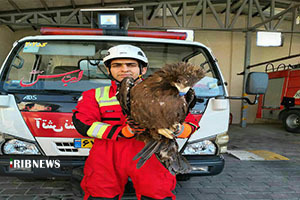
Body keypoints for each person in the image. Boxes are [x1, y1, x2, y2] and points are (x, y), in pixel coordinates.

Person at [72, 44, 199, 200]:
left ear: (143, 69)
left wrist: (178, 130)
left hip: (151, 151)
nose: (124, 69)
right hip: (107, 154)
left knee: (156, 194)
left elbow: (191, 124)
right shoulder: (95, 94)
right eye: (117, 65)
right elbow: (83, 124)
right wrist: (122, 131)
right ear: (108, 70)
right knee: (100, 194)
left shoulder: (167, 92)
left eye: (131, 64)